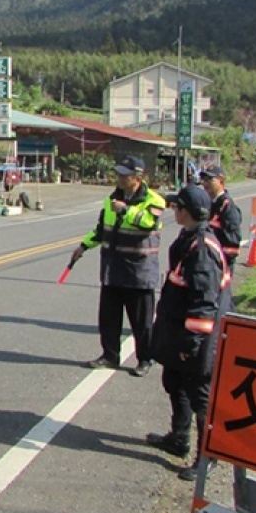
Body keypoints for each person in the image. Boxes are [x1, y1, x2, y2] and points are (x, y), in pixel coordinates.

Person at [145, 184, 230, 481]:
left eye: (176, 206)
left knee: (199, 396)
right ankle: (179, 438)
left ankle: (207, 458)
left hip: (196, 338)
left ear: (187, 211)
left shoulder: (203, 248)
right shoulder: (190, 238)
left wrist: (191, 343)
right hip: (180, 332)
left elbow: (204, 302)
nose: (173, 211)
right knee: (175, 383)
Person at [69, 157, 166, 375]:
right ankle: (110, 356)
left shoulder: (154, 200)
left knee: (142, 322)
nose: (119, 178)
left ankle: (145, 359)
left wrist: (125, 210)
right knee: (109, 319)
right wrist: (83, 246)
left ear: (137, 178)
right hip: (113, 270)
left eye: (125, 175)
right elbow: (102, 229)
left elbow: (148, 223)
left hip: (139, 272)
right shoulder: (111, 199)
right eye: (119, 174)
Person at [199, 164, 242, 270]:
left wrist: (222, 263)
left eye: (210, 179)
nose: (205, 183)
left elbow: (232, 241)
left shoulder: (227, 206)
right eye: (204, 180)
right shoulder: (208, 203)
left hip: (219, 265)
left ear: (221, 182)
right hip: (206, 261)